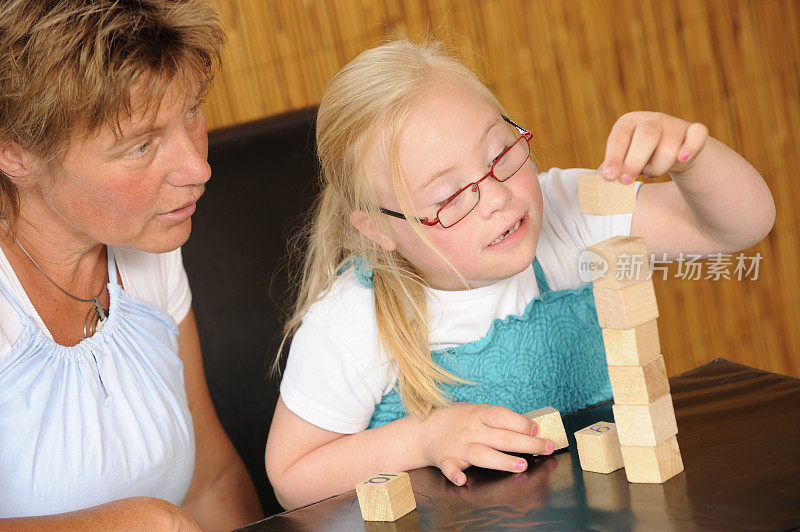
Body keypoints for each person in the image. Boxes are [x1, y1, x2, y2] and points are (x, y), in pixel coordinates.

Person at [264, 39, 775, 509]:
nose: (498, 198)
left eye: (500, 154)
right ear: (379, 228)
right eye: (448, 198)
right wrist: (423, 438)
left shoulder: (565, 215)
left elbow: (738, 229)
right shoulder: (354, 320)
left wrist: (690, 157)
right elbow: (292, 475)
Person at [0, 1, 262, 529]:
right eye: (141, 145)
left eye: (192, 111)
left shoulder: (146, 243)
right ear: (16, 155)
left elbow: (209, 479)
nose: (199, 168)